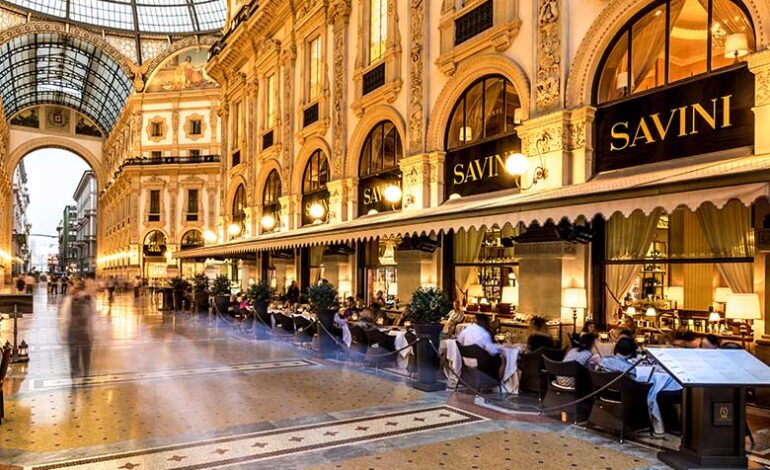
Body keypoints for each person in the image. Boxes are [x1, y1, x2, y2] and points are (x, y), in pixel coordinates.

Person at [598, 337, 681, 436]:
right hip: (625, 396)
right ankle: (660, 424)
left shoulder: (605, 360)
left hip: (606, 392)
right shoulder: (628, 368)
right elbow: (636, 379)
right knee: (654, 391)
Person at [62, 280, 96, 378]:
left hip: (72, 330)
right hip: (85, 331)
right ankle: (86, 373)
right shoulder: (90, 299)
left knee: (74, 354)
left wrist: (64, 332)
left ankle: (75, 373)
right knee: (86, 354)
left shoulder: (70, 299)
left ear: (76, 288)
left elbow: (65, 318)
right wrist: (92, 333)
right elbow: (93, 317)